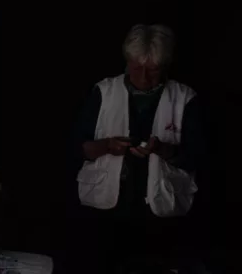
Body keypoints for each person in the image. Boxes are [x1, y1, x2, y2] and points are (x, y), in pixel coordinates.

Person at [75, 24, 203, 225]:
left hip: (164, 212)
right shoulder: (103, 91)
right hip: (104, 211)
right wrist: (106, 146)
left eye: (153, 70)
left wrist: (163, 149)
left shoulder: (185, 98)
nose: (144, 78)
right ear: (127, 62)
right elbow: (76, 148)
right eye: (137, 68)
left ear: (165, 66)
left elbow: (199, 158)